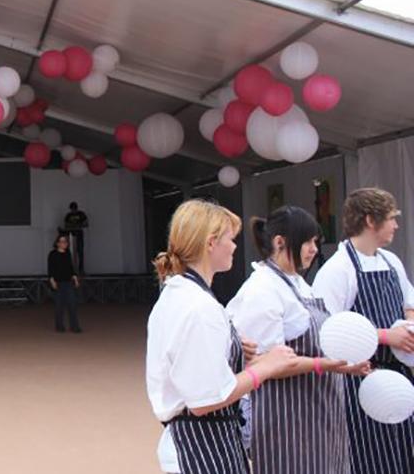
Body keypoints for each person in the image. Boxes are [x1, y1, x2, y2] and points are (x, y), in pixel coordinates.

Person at [147, 199, 298, 474]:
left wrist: (231, 349)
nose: (235, 247)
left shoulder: (180, 293)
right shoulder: (199, 306)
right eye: (231, 238)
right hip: (203, 447)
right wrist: (264, 368)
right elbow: (207, 399)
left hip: (200, 442)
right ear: (210, 243)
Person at [227, 206, 370, 474]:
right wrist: (328, 364)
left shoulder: (298, 283)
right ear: (280, 242)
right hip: (286, 419)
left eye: (316, 241)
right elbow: (263, 362)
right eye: (307, 241)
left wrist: (342, 364)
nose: (314, 248)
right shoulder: (262, 289)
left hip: (320, 412)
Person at [312, 188, 414, 474]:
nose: (395, 225)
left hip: (399, 376)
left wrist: (408, 328)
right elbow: (325, 329)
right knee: (369, 458)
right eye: (391, 218)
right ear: (371, 220)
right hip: (360, 379)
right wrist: (385, 336)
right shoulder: (338, 270)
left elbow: (409, 304)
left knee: (403, 454)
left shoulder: (391, 262)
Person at [47, 234, 81, 333]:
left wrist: (75, 278)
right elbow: (50, 269)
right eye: (62, 241)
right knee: (59, 306)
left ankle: (75, 326)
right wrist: (52, 281)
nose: (64, 243)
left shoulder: (68, 253)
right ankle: (59, 326)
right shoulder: (52, 254)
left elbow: (71, 267)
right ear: (57, 243)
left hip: (68, 282)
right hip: (58, 282)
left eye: (65, 242)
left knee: (72, 304)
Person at [63, 202, 88, 274]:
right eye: (72, 209)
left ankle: (81, 270)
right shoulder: (68, 215)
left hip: (79, 235)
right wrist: (71, 226)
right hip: (71, 236)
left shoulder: (81, 214)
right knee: (71, 253)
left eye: (74, 209)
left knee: (80, 252)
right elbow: (65, 225)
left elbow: (86, 223)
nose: (73, 211)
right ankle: (71, 270)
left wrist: (78, 225)